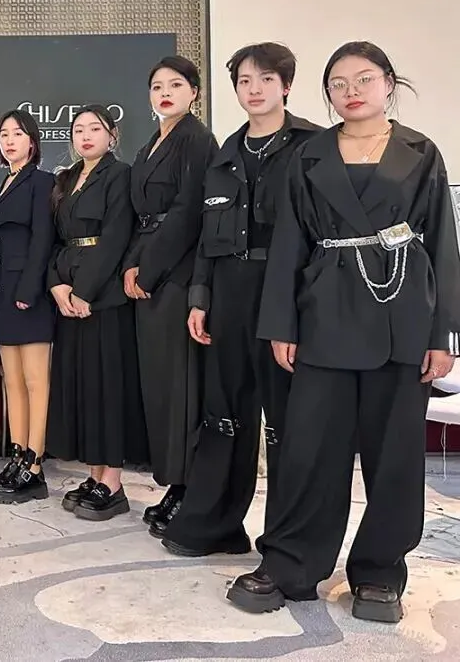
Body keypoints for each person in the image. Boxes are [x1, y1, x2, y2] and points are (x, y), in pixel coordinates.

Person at [228, 41, 460, 623]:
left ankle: (380, 573)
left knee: (395, 453)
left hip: (401, 315)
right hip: (323, 314)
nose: (350, 91)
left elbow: (443, 244)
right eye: (338, 83)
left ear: (389, 84)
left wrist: (443, 336)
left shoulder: (421, 152)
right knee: (310, 447)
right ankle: (291, 563)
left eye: (364, 79)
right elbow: (289, 244)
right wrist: (281, 324)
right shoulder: (309, 155)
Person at [161, 44, 320, 557]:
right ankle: (214, 526)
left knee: (287, 420)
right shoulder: (225, 154)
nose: (254, 89)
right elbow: (207, 238)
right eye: (244, 81)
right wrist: (200, 297)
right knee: (224, 412)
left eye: (266, 79)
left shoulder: (313, 147)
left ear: (286, 86)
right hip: (228, 292)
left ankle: (286, 542)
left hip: (288, 294)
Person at [123, 56, 218, 537]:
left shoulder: (197, 139)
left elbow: (186, 213)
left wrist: (150, 268)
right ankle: (171, 481)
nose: (165, 93)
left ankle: (188, 488)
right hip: (148, 270)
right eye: (157, 85)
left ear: (194, 92)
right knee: (159, 385)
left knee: (181, 387)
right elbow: (140, 215)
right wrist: (132, 264)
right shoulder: (148, 145)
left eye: (176, 85)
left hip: (177, 273)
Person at [46, 105, 143, 520]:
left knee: (108, 388)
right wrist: (57, 285)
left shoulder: (120, 175)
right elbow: (55, 239)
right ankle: (93, 473)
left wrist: (85, 291)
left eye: (95, 129)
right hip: (68, 296)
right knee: (83, 388)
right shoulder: (66, 179)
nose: (85, 136)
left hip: (104, 299)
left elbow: (117, 236)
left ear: (111, 135)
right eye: (78, 130)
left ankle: (113, 482)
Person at [0, 109, 56, 504]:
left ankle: (35, 464)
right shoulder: (2, 185)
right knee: (11, 380)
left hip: (29, 293)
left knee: (34, 379)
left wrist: (29, 288)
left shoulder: (42, 182)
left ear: (33, 141)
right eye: (4, 134)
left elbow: (43, 239)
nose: (10, 141)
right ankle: (17, 454)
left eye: (18, 134)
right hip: (2, 292)